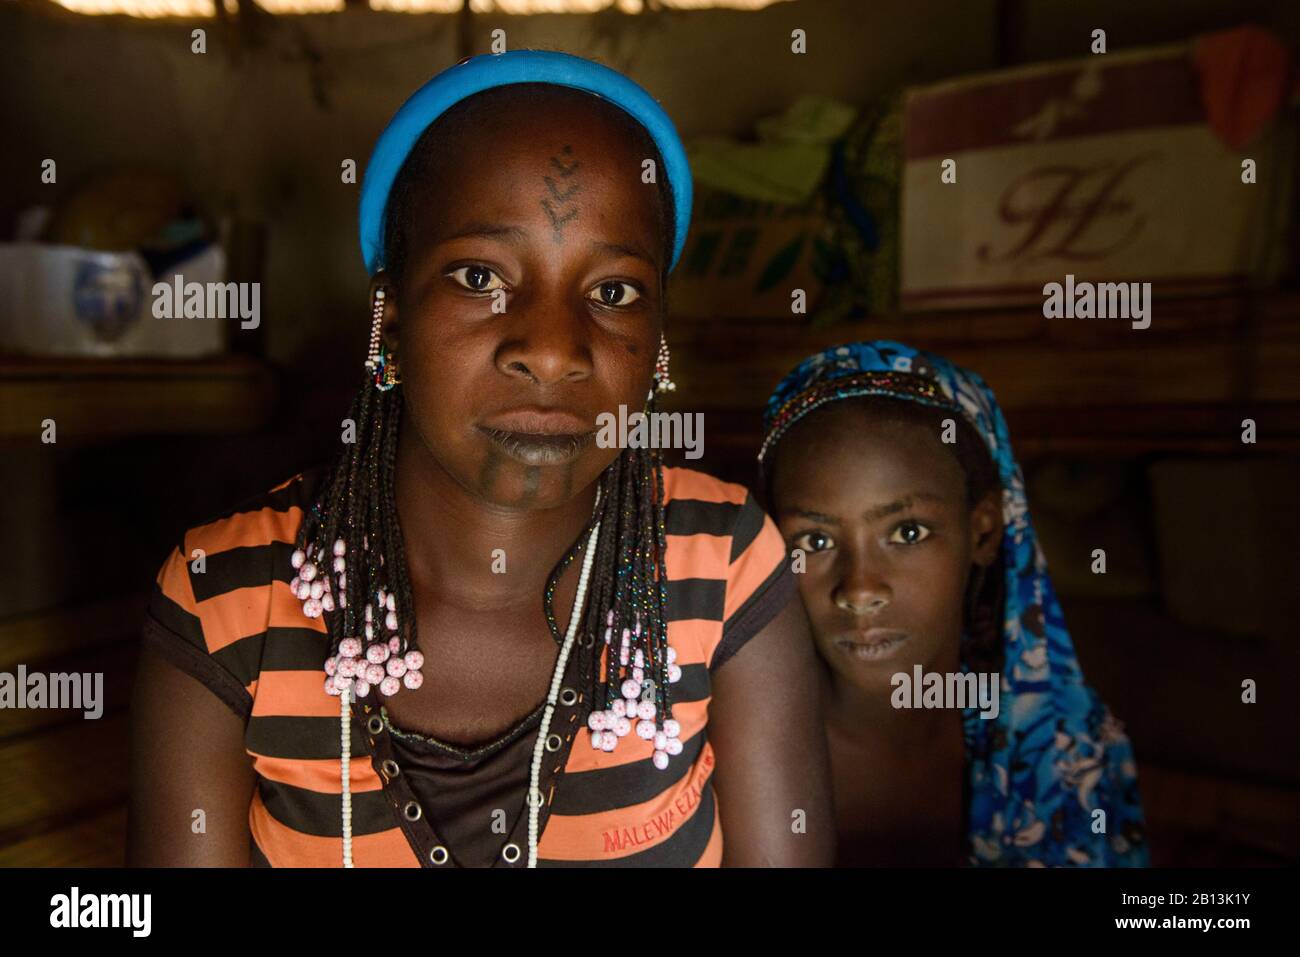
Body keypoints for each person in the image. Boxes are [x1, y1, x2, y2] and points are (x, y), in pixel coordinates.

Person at [128, 50, 833, 868]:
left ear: (660, 344)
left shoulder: (723, 564)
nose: (551, 350)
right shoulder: (228, 598)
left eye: (613, 292)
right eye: (478, 275)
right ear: (389, 318)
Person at [758, 340, 1149, 866]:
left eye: (908, 531)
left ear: (983, 531)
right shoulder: (718, 755)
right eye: (815, 541)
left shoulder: (1069, 753)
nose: (860, 589)